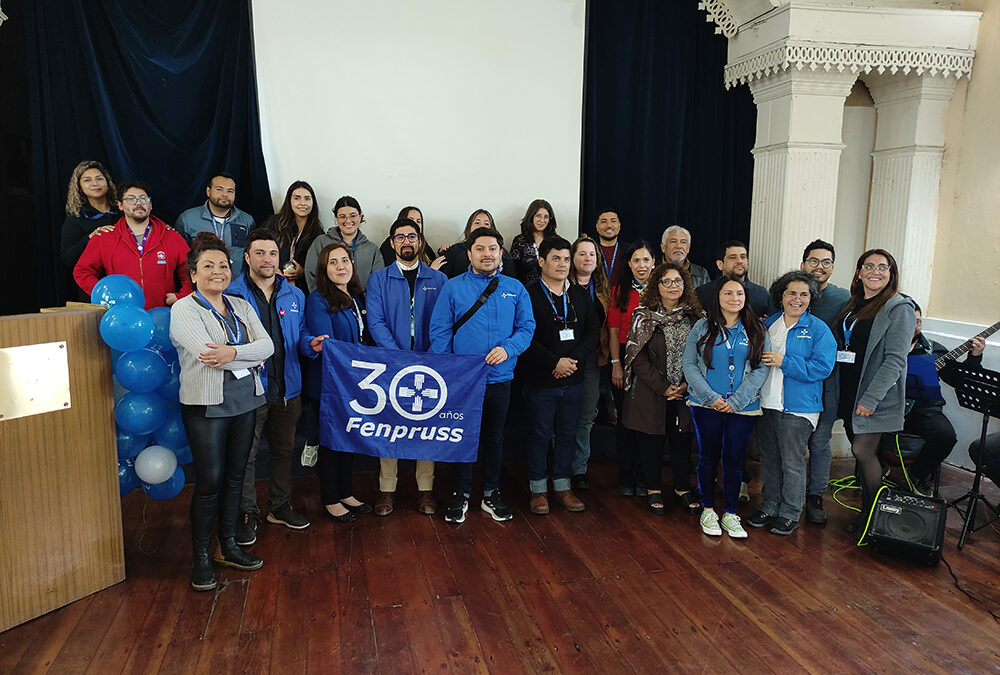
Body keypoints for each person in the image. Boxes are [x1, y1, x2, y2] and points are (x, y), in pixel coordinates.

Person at [169, 233, 274, 591]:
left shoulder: (241, 305)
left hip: (247, 401)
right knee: (210, 482)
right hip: (206, 405)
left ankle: (228, 546)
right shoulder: (183, 309)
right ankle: (201, 556)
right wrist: (241, 354)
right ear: (193, 274)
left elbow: (268, 345)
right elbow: (208, 355)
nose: (218, 271)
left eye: (223, 266)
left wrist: (232, 352)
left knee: (235, 476)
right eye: (208, 266)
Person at [224, 229, 324, 545]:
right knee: (246, 455)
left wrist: (312, 345)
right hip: (248, 391)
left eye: (272, 254)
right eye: (260, 253)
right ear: (247, 257)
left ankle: (279, 507)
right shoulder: (231, 294)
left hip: (288, 389)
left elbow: (302, 335)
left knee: (283, 452)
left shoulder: (295, 294)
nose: (267, 259)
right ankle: (246, 514)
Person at [429, 227, 535, 523]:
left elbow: (527, 328)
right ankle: (460, 494)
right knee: (462, 438)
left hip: (500, 378)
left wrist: (508, 349)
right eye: (480, 249)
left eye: (492, 248)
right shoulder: (452, 287)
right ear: (469, 253)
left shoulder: (515, 288)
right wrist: (452, 368)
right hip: (464, 381)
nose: (487, 253)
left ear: (501, 253)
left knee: (494, 438)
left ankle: (491, 493)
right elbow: (439, 330)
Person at [366, 218, 448, 516]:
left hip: (429, 365)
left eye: (412, 236)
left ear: (420, 240)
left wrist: (430, 355)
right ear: (391, 243)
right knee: (390, 429)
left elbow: (443, 323)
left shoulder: (438, 280)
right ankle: (387, 490)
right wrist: (397, 356)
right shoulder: (378, 279)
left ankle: (425, 490)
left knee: (426, 427)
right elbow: (375, 321)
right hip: (391, 365)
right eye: (400, 237)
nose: (406, 242)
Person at [747, 271, 836, 536]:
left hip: (798, 408)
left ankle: (789, 513)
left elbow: (823, 367)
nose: (797, 299)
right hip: (767, 404)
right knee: (770, 460)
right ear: (781, 296)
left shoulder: (819, 330)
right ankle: (770, 507)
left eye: (804, 294)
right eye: (791, 293)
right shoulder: (770, 323)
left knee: (792, 463)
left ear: (811, 298)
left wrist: (785, 361)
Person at [834, 249, 916, 536]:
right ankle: (869, 516)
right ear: (859, 272)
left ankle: (873, 522)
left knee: (862, 451)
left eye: (883, 267)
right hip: (848, 390)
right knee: (863, 457)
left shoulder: (898, 307)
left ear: (891, 273)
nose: (875, 271)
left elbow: (895, 360)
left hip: (873, 396)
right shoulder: (854, 303)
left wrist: (870, 399)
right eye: (869, 266)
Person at [682, 276, 769, 539]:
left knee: (734, 460)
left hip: (742, 408)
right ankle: (708, 509)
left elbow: (761, 368)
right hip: (706, 405)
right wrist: (710, 397)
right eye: (728, 293)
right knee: (708, 457)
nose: (734, 298)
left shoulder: (756, 329)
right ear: (717, 297)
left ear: (746, 299)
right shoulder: (701, 327)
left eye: (739, 294)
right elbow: (689, 365)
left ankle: (730, 513)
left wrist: (736, 402)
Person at [518, 236, 600, 514]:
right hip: (540, 379)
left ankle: (563, 486)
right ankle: (538, 490)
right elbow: (524, 337)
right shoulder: (527, 294)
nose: (563, 264)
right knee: (540, 435)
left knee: (568, 434)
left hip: (574, 378)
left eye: (566, 259)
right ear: (541, 261)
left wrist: (573, 360)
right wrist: (555, 362)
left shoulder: (578, 294)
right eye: (556, 258)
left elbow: (592, 332)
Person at [622, 262, 702, 515]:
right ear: (656, 285)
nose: (672, 286)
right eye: (665, 281)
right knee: (651, 442)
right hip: (651, 391)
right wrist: (664, 387)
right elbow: (637, 358)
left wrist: (687, 384)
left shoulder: (696, 317)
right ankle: (653, 489)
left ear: (685, 285)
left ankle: (681, 488)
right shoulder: (643, 315)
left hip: (686, 390)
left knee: (681, 441)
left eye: (677, 281)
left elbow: (703, 354)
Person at [304, 242, 373, 522]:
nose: (341, 266)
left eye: (345, 260)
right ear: (323, 268)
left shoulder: (356, 296)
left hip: (353, 384)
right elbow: (328, 344)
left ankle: (346, 492)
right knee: (332, 443)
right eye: (333, 262)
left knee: (349, 441)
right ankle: (331, 498)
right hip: (329, 384)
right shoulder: (318, 299)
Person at [897, 305, 987, 495]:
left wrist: (974, 357)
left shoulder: (933, 350)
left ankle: (916, 475)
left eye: (918, 321)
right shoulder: (887, 345)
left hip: (924, 411)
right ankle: (877, 466)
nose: (914, 326)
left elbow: (959, 380)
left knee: (946, 436)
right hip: (891, 408)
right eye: (909, 321)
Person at [74, 181, 192, 309]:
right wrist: (105, 295)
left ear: (150, 205)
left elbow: (193, 272)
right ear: (120, 205)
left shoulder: (172, 237)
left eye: (143, 198)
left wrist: (181, 296)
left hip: (162, 316)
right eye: (131, 199)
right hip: (122, 317)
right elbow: (82, 272)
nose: (139, 203)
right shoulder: (104, 238)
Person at [798, 239, 851, 524]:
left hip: (828, 383)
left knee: (820, 442)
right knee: (791, 442)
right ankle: (788, 494)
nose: (820, 267)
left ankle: (816, 496)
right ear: (803, 263)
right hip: (791, 380)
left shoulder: (844, 299)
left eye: (826, 262)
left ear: (832, 266)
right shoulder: (789, 291)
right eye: (814, 261)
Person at [607, 240, 656, 495]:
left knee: (647, 422)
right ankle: (626, 477)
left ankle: (646, 479)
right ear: (628, 263)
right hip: (625, 358)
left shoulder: (662, 290)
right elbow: (613, 332)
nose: (641, 265)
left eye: (646, 260)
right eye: (636, 260)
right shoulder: (619, 291)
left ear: (654, 263)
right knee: (625, 421)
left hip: (654, 359)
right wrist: (616, 365)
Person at [568, 235, 611, 489]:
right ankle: (559, 463)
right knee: (561, 415)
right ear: (572, 259)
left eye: (592, 254)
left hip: (593, 360)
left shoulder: (604, 292)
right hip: (564, 360)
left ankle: (578, 469)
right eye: (582, 254)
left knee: (586, 416)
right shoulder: (561, 286)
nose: (587, 258)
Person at [175, 173, 255, 275]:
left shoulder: (247, 221)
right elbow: (180, 257)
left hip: (238, 286)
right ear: (208, 191)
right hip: (202, 285)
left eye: (230, 191)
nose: (225, 194)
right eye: (219, 189)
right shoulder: (187, 219)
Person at [304, 195, 384, 292]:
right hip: (327, 303)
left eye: (353, 216)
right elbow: (311, 275)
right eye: (342, 217)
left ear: (360, 216)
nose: (348, 221)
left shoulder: (372, 250)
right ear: (336, 218)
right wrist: (325, 299)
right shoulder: (321, 242)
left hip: (361, 305)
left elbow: (377, 283)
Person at [59, 161, 119, 278]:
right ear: (79, 187)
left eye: (99, 179)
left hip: (128, 280)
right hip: (95, 285)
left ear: (108, 183)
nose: (95, 183)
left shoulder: (123, 211)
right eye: (87, 180)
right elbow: (67, 259)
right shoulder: (76, 218)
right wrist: (90, 238)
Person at [262, 181, 324, 287]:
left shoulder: (318, 233)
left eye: (307, 198)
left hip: (302, 289)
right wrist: (273, 268)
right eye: (297, 198)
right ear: (289, 200)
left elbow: (321, 266)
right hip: (272, 283)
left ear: (313, 202)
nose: (302, 203)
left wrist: (304, 271)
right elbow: (257, 247)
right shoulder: (274, 223)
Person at [430, 208, 515, 279]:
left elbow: (511, 281)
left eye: (486, 223)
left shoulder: (502, 253)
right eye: (477, 223)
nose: (482, 226)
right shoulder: (455, 251)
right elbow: (444, 279)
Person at [695, 241, 770, 318]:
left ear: (747, 262)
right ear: (720, 264)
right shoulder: (702, 293)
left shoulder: (762, 294)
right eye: (733, 257)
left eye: (743, 257)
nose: (739, 261)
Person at [509, 198, 557, 286]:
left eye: (546, 217)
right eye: (538, 216)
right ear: (531, 217)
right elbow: (512, 271)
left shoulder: (556, 241)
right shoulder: (520, 241)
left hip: (551, 291)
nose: (542, 220)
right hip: (525, 292)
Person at [595, 209, 627, 289]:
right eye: (603, 221)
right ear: (597, 227)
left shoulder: (629, 251)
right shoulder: (590, 251)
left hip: (623, 298)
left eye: (613, 221)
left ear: (619, 225)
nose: (609, 225)